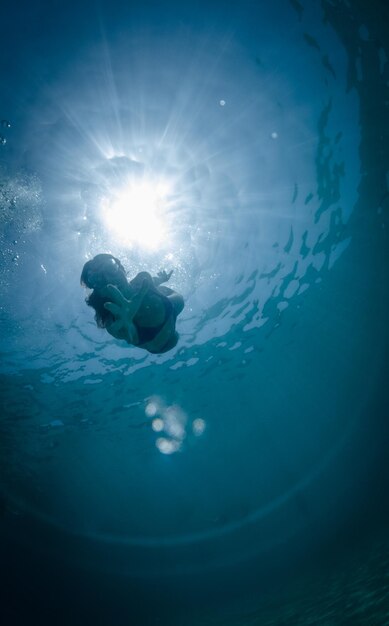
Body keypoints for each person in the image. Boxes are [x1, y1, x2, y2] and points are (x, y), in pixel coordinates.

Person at [80, 253, 184, 354]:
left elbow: (154, 281)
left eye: (110, 267)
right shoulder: (112, 319)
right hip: (155, 343)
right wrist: (128, 326)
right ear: (99, 292)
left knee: (153, 285)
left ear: (122, 268)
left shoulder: (142, 280)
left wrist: (162, 279)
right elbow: (125, 332)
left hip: (170, 308)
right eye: (97, 278)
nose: (108, 279)